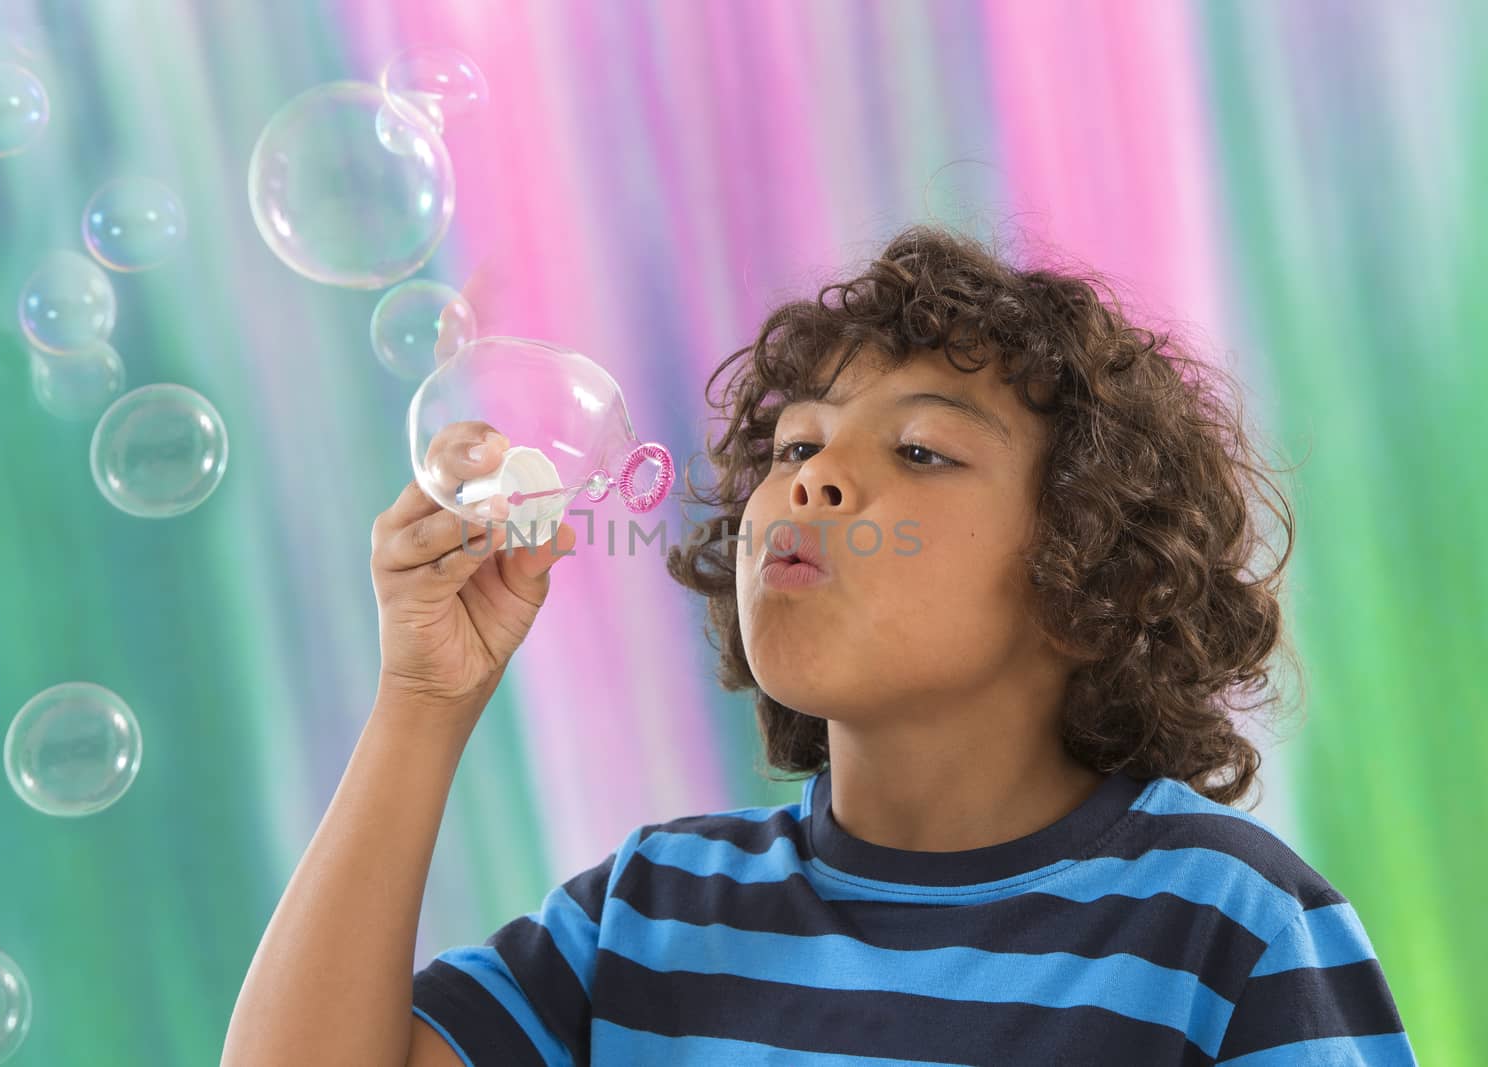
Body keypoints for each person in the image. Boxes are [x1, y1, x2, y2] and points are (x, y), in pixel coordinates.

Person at [221, 224, 1417, 1065]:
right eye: (794, 448)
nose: (814, 482)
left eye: (922, 452)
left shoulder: (1228, 926)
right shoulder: (655, 913)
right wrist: (422, 701)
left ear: (1087, 575)